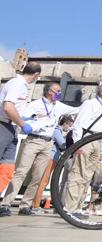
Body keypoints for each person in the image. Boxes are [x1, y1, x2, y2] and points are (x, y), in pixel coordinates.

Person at [0, 82, 78, 216]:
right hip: (33, 140)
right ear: (49, 91)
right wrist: (37, 123)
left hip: (48, 143)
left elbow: (76, 109)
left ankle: (25, 205)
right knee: (21, 172)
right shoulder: (35, 105)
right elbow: (23, 118)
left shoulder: (57, 106)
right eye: (57, 91)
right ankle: (5, 203)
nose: (59, 93)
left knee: (38, 176)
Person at [63, 82, 102, 217]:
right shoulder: (90, 104)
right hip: (87, 139)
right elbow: (79, 123)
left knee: (87, 177)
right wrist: (77, 144)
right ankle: (69, 208)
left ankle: (78, 207)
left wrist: (101, 146)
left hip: (97, 142)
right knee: (78, 174)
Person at [0, 62, 42, 198]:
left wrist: (27, 118)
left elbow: (15, 109)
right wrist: (23, 123)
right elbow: (8, 107)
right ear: (36, 75)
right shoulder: (17, 84)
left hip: (12, 128)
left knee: (7, 168)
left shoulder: (22, 86)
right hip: (3, 126)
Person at [33, 114, 75, 210]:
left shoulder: (58, 131)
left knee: (44, 180)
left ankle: (35, 203)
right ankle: (35, 204)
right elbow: (62, 144)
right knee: (43, 180)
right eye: (69, 125)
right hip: (50, 157)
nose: (69, 128)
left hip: (53, 158)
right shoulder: (57, 130)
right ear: (65, 123)